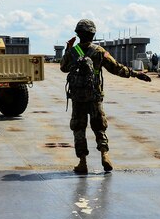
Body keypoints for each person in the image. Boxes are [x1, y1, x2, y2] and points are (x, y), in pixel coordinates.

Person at [60, 19, 151, 174]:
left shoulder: (73, 52)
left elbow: (63, 68)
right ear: (93, 34)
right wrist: (136, 74)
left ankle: (82, 163)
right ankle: (105, 155)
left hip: (78, 98)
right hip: (95, 97)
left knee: (79, 129)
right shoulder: (99, 52)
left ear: (78, 34)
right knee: (99, 127)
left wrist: (68, 49)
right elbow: (117, 68)